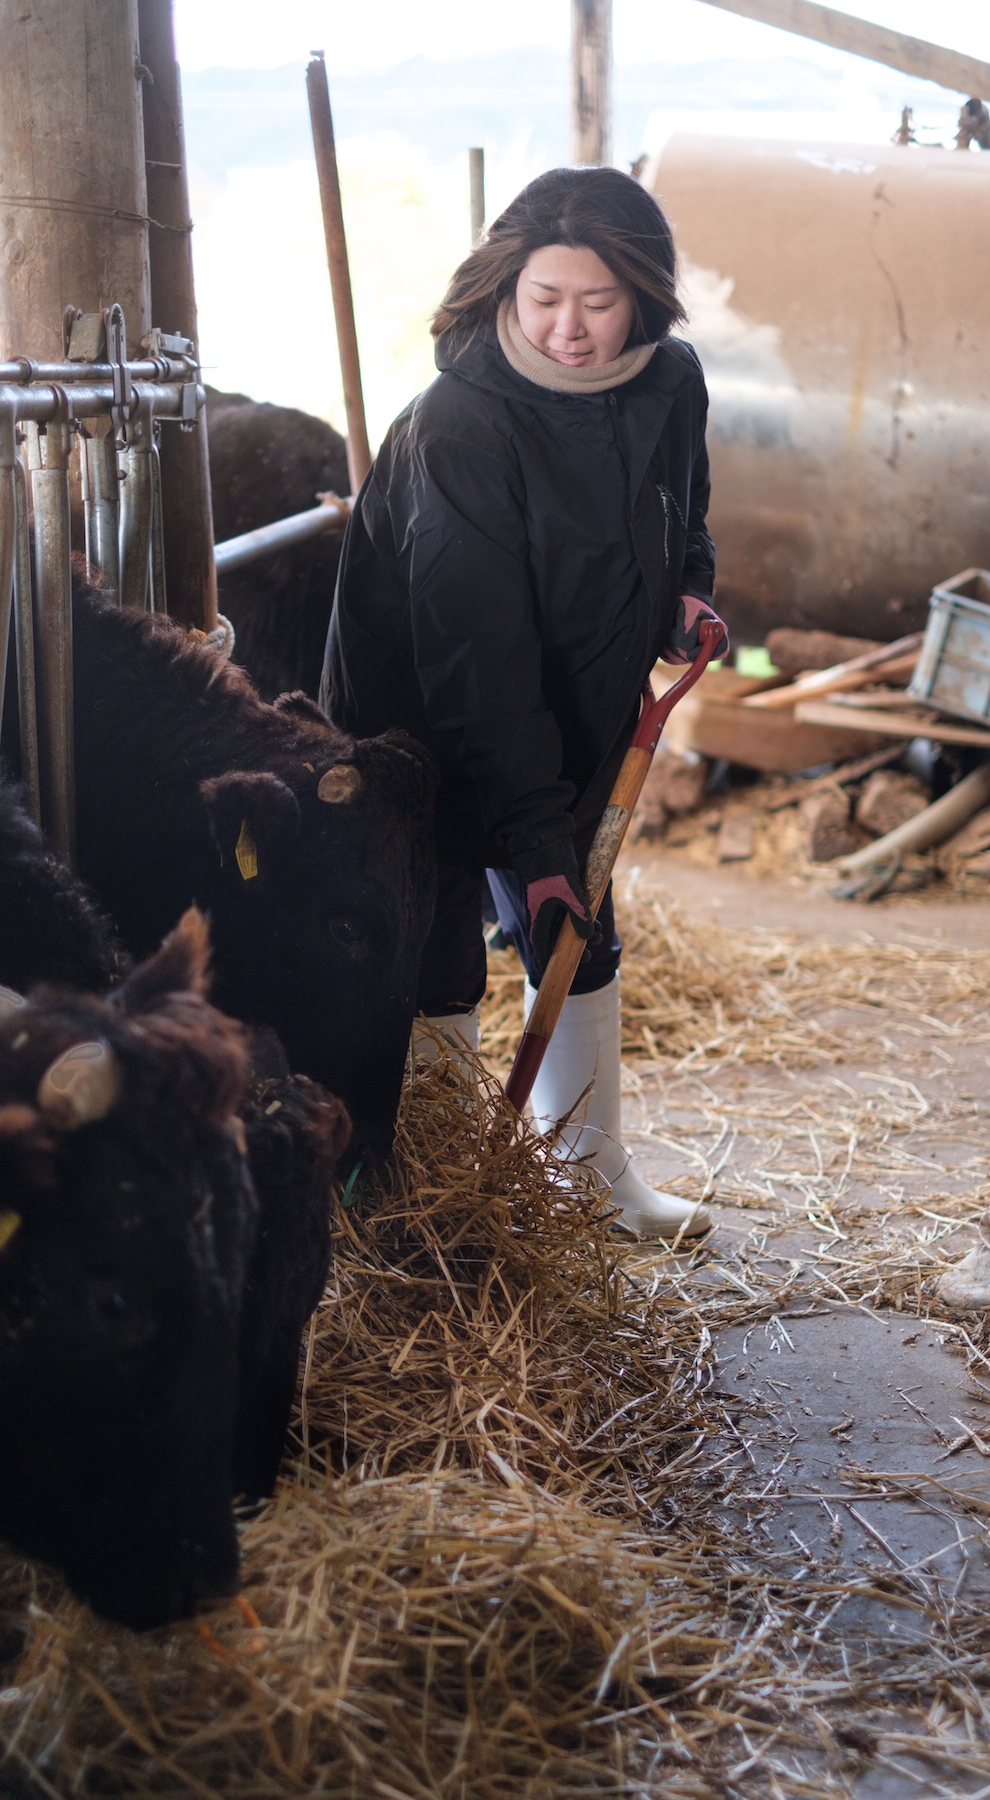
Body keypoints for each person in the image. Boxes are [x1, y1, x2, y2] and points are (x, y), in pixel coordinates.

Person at [321, 165, 725, 1238]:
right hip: (422, 719)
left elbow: (682, 515)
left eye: (598, 303)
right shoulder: (461, 425)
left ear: (642, 295)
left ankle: (595, 1186)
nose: (570, 330)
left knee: (576, 935)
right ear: (504, 288)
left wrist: (690, 592)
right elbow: (475, 661)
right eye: (544, 300)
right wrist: (540, 847)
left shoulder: (670, 383)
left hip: (573, 703)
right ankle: (438, 1202)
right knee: (436, 940)